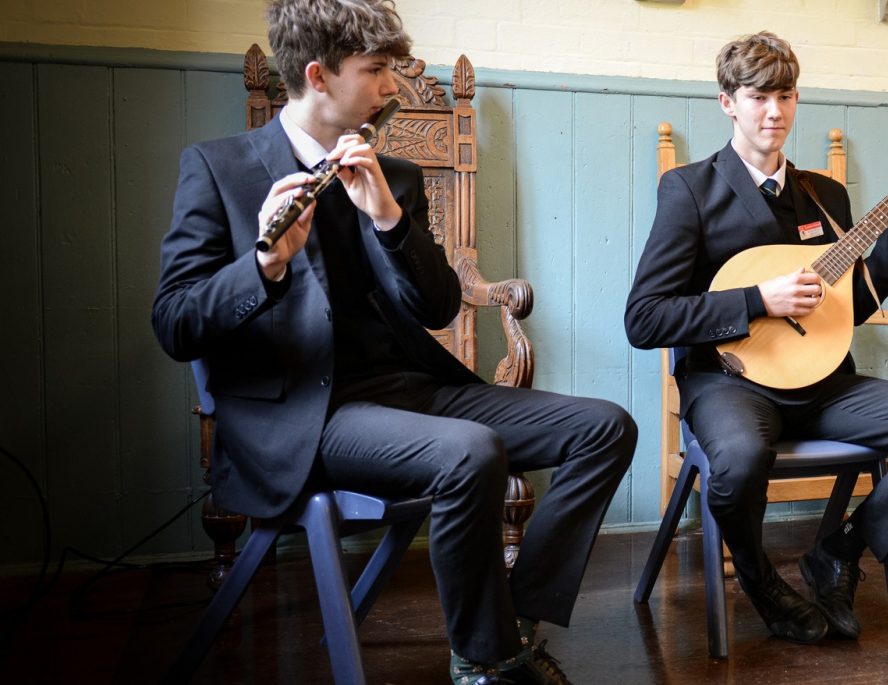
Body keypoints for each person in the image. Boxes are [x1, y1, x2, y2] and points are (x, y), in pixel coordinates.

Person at [151, 2, 634, 683]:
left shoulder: (395, 176)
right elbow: (174, 322)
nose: (390, 89)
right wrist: (262, 265)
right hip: (303, 416)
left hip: (412, 391)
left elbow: (437, 307)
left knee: (605, 427)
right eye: (376, 70)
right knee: (471, 452)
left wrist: (388, 220)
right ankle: (489, 660)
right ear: (318, 76)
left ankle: (509, 628)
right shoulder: (218, 169)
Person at [624, 31, 888, 645]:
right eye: (758, 96)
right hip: (729, 383)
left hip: (822, 383)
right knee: (737, 462)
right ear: (727, 103)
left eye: (785, 96)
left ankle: (839, 551)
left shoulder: (826, 195)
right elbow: (645, 318)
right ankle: (761, 582)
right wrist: (758, 300)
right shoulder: (689, 190)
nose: (774, 112)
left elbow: (851, 310)